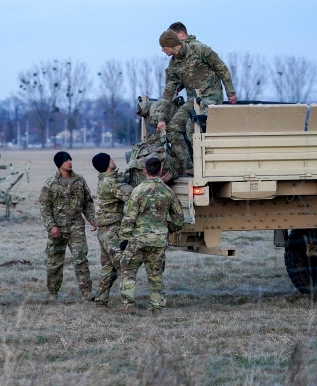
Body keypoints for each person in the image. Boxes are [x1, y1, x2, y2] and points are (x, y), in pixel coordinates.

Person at [157, 29, 237, 175]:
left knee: (191, 126)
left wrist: (230, 92)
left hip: (211, 96)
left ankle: (203, 165)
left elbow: (222, 68)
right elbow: (169, 91)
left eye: (164, 47)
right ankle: (189, 167)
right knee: (173, 128)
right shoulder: (174, 64)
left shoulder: (200, 50)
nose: (162, 50)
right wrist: (161, 119)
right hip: (194, 100)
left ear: (171, 44)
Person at [118, 157, 185, 316]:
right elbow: (179, 218)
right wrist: (170, 229)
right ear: (161, 171)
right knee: (155, 274)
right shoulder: (168, 191)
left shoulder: (138, 190)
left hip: (138, 239)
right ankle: (157, 307)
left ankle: (128, 305)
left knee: (128, 269)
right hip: (159, 240)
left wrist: (125, 239)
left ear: (144, 171)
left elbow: (129, 218)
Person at [39, 151, 98, 301]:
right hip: (57, 228)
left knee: (81, 259)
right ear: (60, 164)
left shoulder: (79, 181)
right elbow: (44, 207)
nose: (70, 162)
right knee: (54, 262)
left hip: (76, 227)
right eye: (66, 160)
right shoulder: (50, 183)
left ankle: (86, 293)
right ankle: (52, 293)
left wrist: (92, 218)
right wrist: (51, 226)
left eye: (70, 159)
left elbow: (88, 202)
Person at [91, 153, 133, 307]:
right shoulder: (110, 183)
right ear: (107, 164)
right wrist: (157, 182)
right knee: (123, 267)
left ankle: (101, 301)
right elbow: (133, 196)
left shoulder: (106, 179)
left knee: (109, 269)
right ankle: (129, 304)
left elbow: (122, 180)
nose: (113, 160)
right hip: (112, 231)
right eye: (111, 159)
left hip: (105, 231)